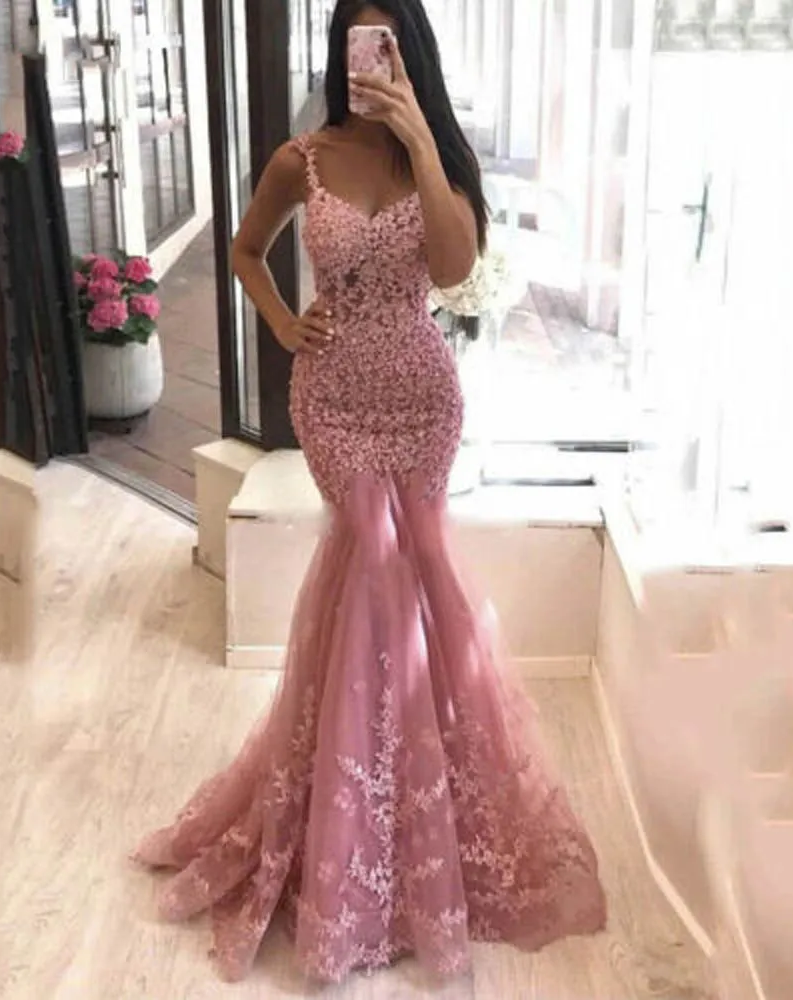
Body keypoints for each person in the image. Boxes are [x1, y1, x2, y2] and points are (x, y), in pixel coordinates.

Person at [133, 0, 607, 983]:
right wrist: (279, 322)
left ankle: (418, 816)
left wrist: (422, 140)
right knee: (378, 571)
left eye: (388, 45)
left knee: (415, 586)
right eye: (359, 44)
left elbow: (454, 270)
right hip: (335, 398)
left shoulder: (438, 157)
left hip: (423, 400)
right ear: (337, 52)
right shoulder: (302, 159)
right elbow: (244, 250)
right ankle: (350, 835)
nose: (371, 62)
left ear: (410, 51)